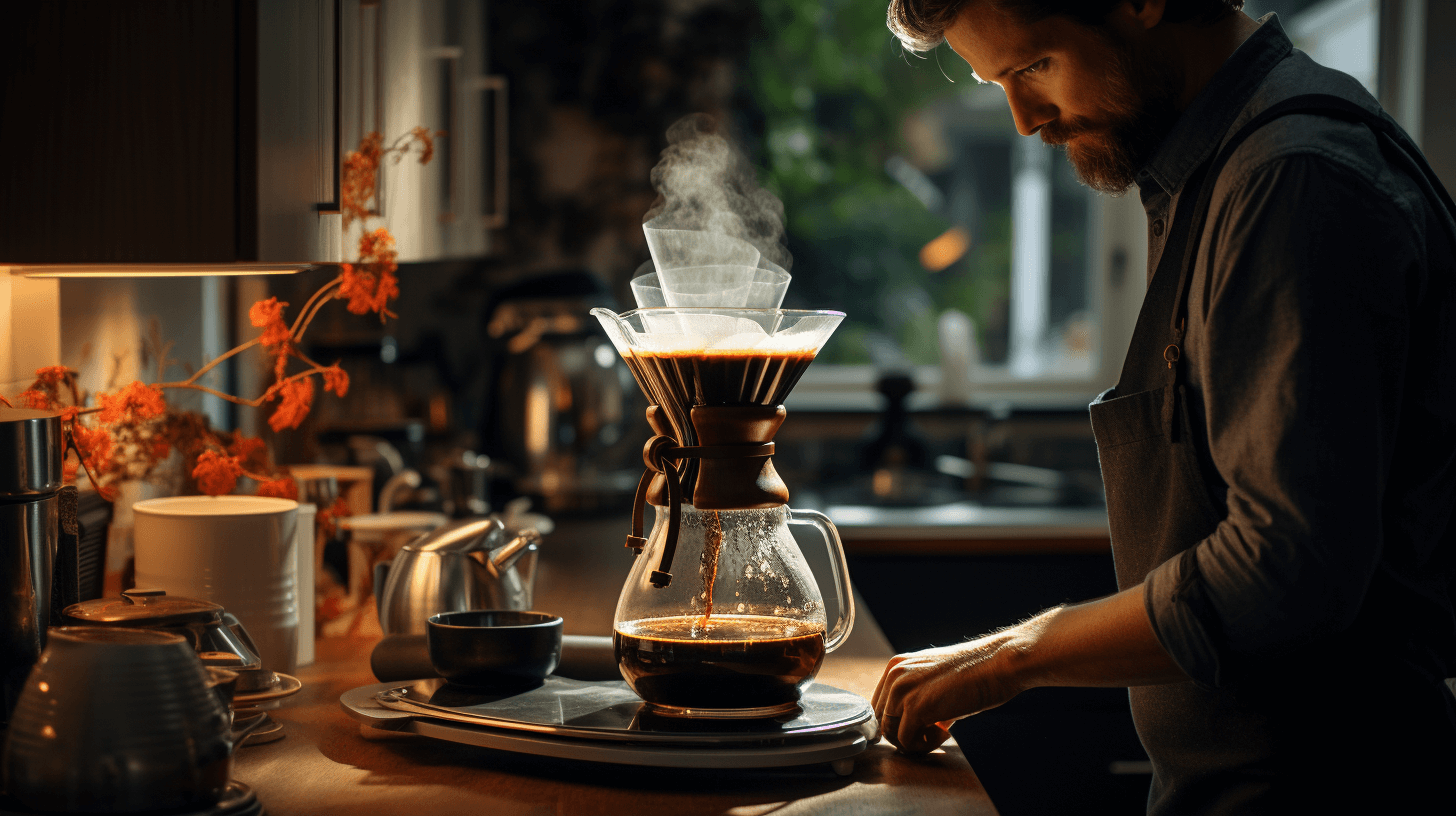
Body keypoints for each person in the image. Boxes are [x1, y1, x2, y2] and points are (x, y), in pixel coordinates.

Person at [873, 1, 1456, 812]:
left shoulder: (1293, 179)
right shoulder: (1212, 169)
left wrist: (1016, 654)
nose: (1023, 119)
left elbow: (1284, 569)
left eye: (1034, 66)